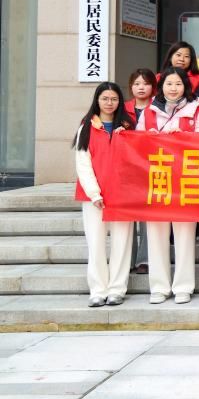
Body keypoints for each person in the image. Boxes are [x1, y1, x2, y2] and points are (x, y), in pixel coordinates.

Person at [136, 67, 199, 304]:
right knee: (156, 234)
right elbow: (136, 145)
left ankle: (183, 286)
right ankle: (159, 287)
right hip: (157, 178)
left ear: (185, 86)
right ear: (161, 87)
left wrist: (186, 138)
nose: (173, 88)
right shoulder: (148, 112)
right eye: (169, 84)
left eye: (178, 84)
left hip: (186, 180)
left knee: (185, 235)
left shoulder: (197, 110)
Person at [73, 82, 134, 307]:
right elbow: (83, 162)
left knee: (122, 243)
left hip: (123, 194)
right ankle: (98, 290)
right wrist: (94, 193)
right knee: (96, 243)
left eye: (114, 99)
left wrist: (127, 137)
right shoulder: (87, 127)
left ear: (120, 102)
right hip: (94, 197)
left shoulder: (128, 127)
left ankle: (117, 289)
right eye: (105, 98)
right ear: (97, 100)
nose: (109, 103)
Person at [124, 68, 156, 274]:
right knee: (127, 216)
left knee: (146, 214)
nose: (141, 87)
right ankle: (127, 259)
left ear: (153, 86)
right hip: (127, 167)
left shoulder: (158, 108)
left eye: (145, 83)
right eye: (137, 84)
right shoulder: (122, 108)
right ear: (131, 87)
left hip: (150, 166)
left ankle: (144, 259)